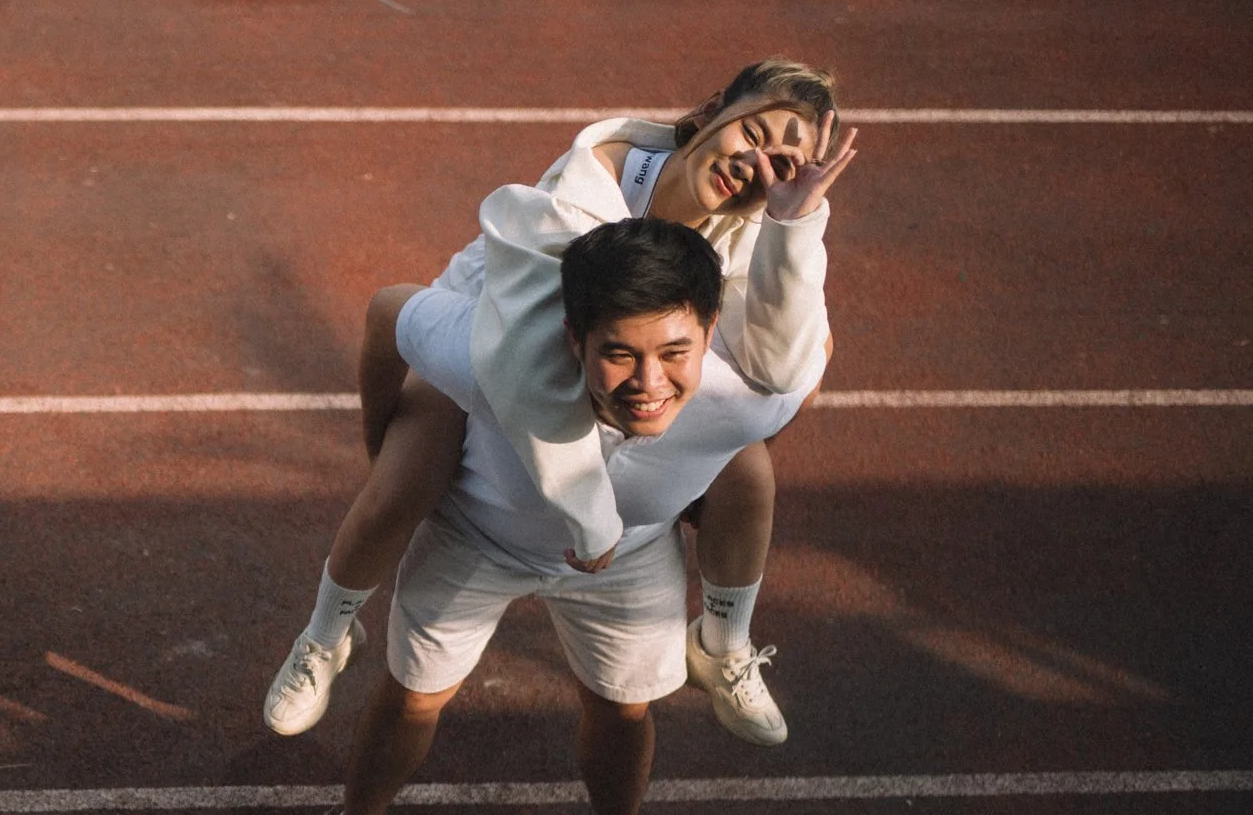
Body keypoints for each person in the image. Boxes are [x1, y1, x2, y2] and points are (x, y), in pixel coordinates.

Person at [264, 60, 848, 748]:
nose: (758, 165)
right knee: (408, 472)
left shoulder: (758, 218)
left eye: (783, 163)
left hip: (616, 348)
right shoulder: (581, 195)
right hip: (498, 328)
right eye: (754, 132)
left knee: (753, 453)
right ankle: (328, 634)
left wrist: (797, 220)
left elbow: (786, 368)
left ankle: (721, 643)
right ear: (714, 109)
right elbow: (536, 381)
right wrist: (594, 519)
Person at [312, 206, 835, 815]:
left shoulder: (745, 399)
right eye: (619, 354)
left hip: (634, 554)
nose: (649, 385)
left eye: (676, 353)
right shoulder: (487, 365)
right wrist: (385, 447)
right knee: (413, 695)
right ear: (571, 338)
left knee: (624, 709)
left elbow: (807, 363)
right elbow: (389, 313)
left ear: (710, 333)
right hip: (477, 538)